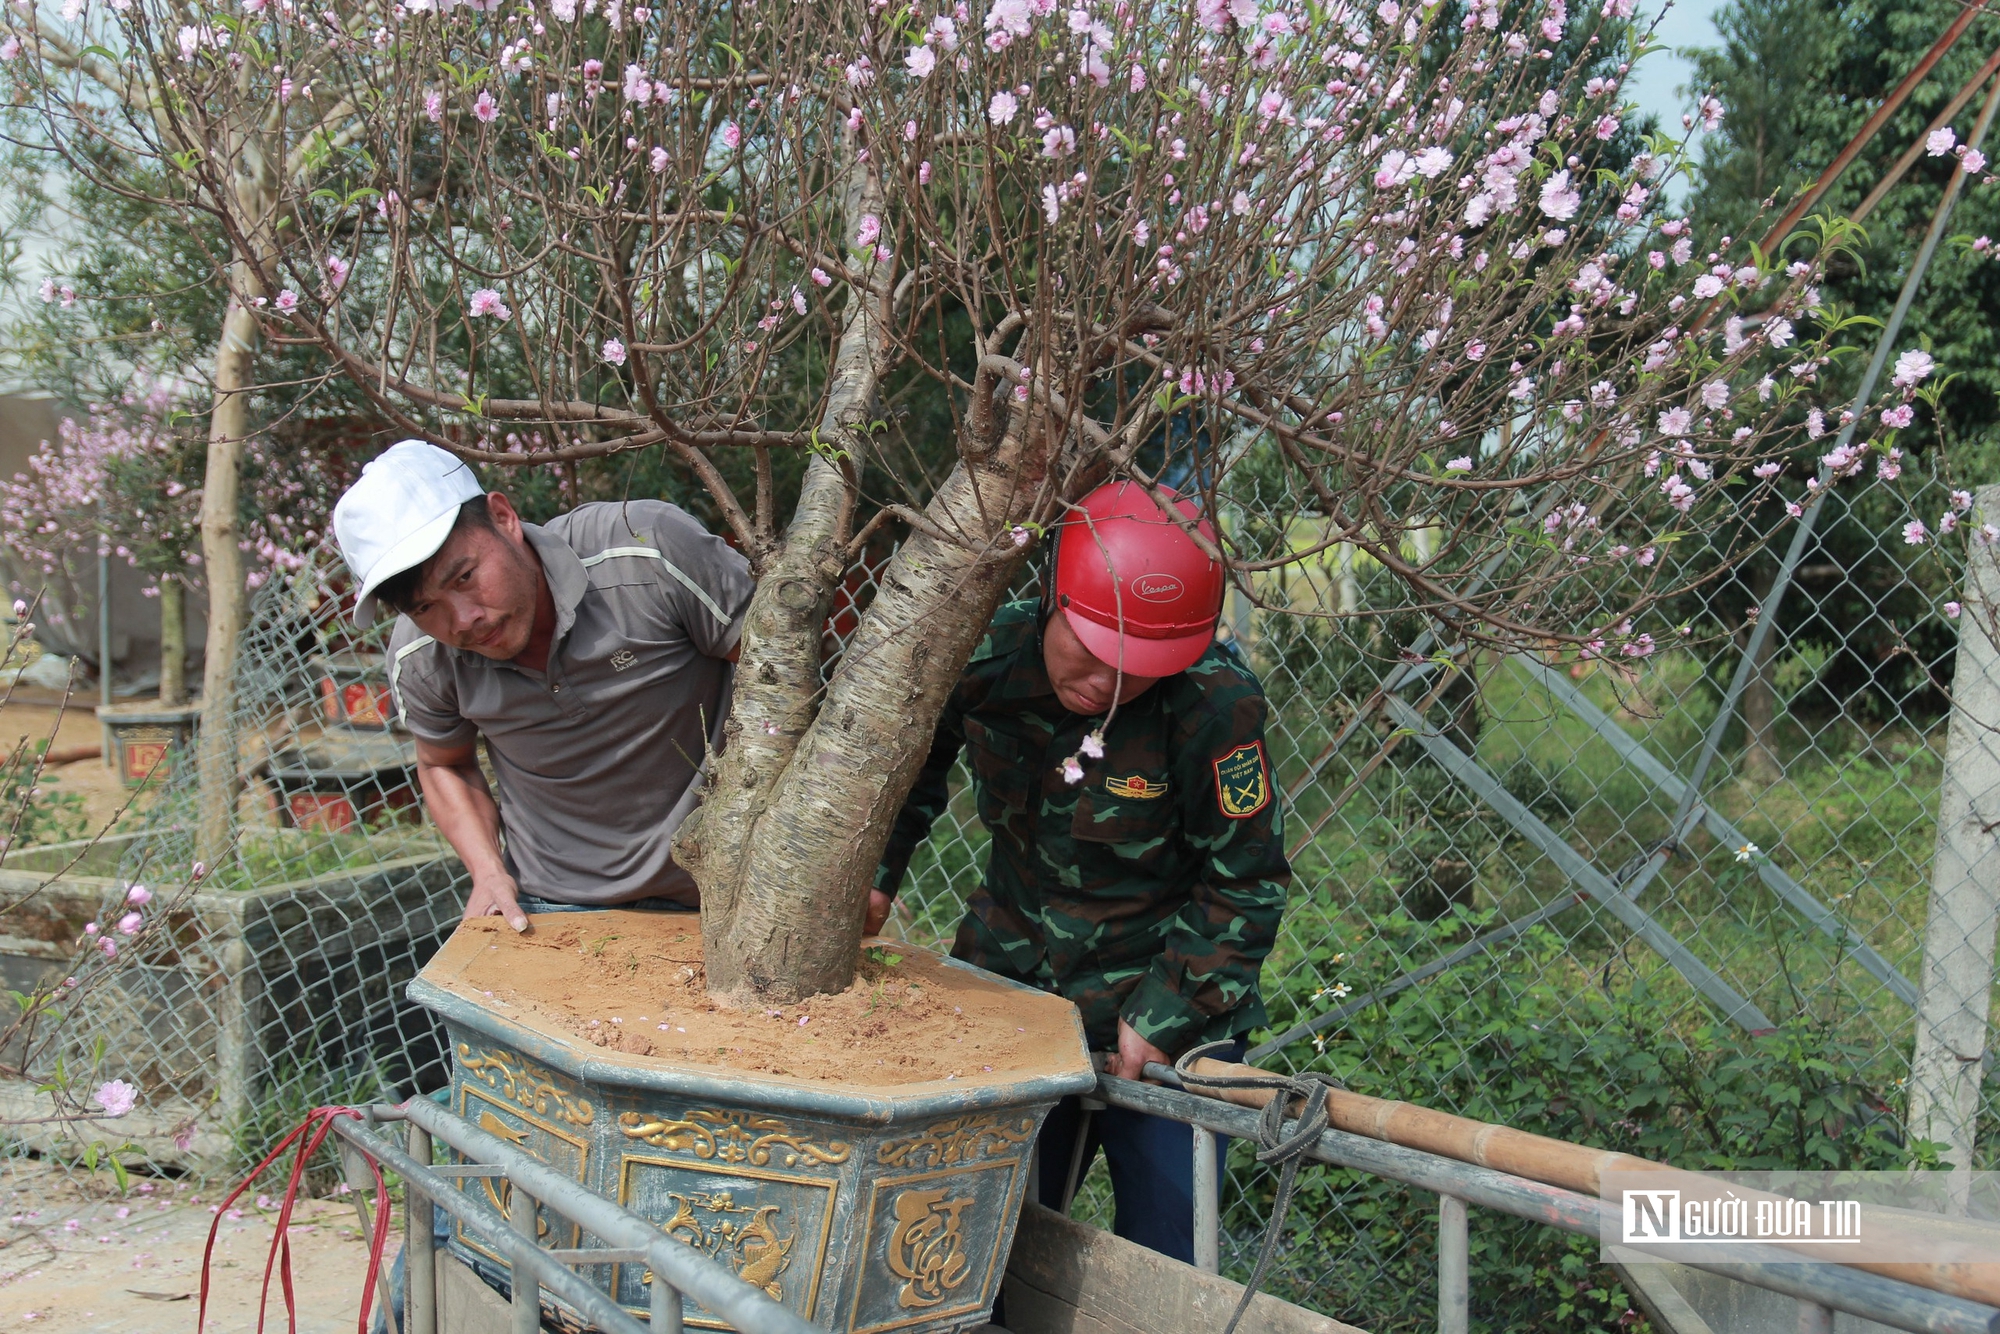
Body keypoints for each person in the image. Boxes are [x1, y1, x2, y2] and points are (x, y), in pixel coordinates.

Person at [870, 479, 1288, 1264]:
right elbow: (907, 772)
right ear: (1055, 599)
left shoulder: (1212, 705)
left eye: (1139, 670)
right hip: (1011, 984)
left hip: (1166, 1001)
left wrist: (1166, 1010)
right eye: (1094, 657)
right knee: (966, 1240)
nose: (1108, 688)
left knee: (1166, 1261)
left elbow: (1245, 881)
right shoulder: (986, 656)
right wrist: (877, 873)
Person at [331, 439, 753, 927]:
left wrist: (814, 869)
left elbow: (787, 680)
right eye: (425, 608)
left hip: (732, 891)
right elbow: (443, 765)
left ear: (503, 518)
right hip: (552, 908)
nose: (464, 621)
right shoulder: (421, 655)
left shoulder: (645, 551)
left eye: (465, 577)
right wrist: (487, 871)